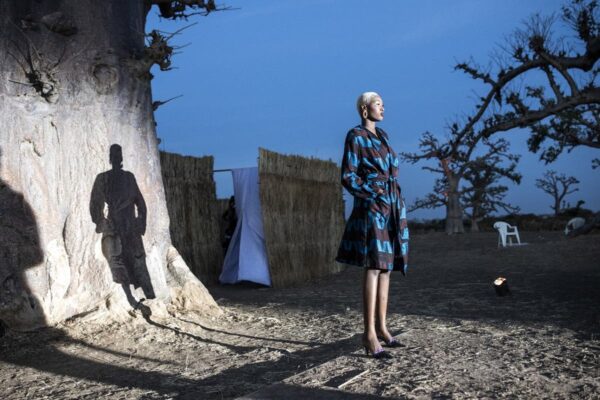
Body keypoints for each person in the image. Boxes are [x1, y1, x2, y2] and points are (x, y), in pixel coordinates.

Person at [336, 92, 409, 359]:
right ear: (365, 109)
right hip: (373, 207)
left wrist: (391, 197)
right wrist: (373, 193)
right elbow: (348, 176)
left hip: (392, 206)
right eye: (378, 104)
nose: (383, 107)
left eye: (383, 104)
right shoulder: (355, 136)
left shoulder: (384, 136)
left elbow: (391, 172)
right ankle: (368, 334)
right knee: (374, 266)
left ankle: (382, 328)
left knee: (386, 268)